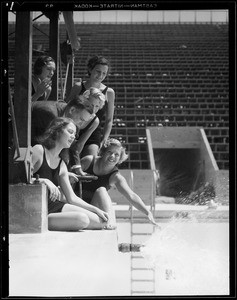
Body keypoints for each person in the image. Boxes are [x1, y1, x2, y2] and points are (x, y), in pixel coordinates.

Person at [32, 117, 111, 231]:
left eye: (75, 134)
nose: (73, 136)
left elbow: (72, 198)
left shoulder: (62, 163)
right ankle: (42, 222)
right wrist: (43, 180)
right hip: (38, 209)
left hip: (54, 206)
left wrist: (95, 209)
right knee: (82, 219)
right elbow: (20, 180)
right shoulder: (39, 150)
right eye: (70, 132)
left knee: (100, 221)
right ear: (57, 130)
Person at [77, 138, 159, 227]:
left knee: (101, 190)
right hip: (77, 204)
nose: (112, 156)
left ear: (120, 158)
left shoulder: (116, 177)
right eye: (109, 152)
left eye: (116, 154)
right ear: (103, 152)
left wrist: (147, 212)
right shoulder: (88, 161)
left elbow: (131, 195)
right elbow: (67, 178)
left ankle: (110, 223)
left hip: (94, 210)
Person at [66, 55, 115, 158]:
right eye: (98, 71)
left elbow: (109, 120)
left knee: (91, 159)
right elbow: (66, 108)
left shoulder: (109, 92)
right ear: (90, 69)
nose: (100, 76)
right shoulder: (78, 87)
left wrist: (105, 139)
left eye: (104, 73)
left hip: (93, 133)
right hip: (74, 129)